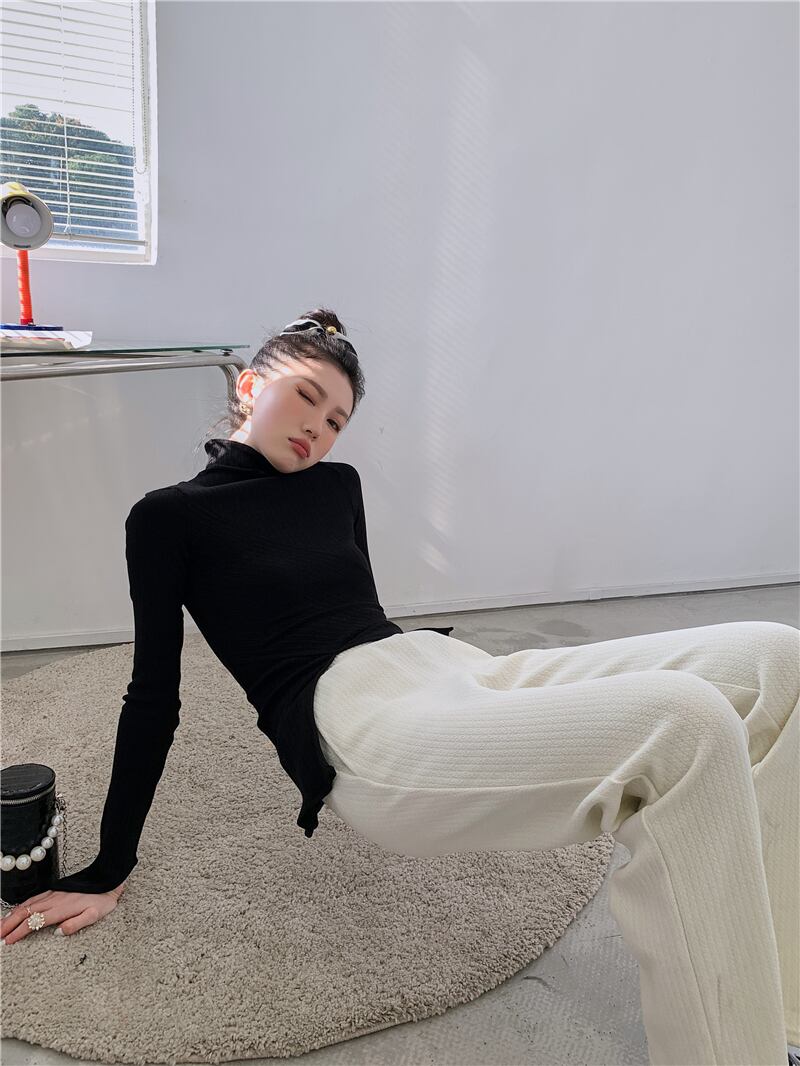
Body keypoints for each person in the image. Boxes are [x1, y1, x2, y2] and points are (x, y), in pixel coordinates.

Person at [1, 308, 797, 1066]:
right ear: (249, 386)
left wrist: (458, 684)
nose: (318, 427)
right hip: (357, 720)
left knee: (777, 657)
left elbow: (359, 611)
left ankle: (784, 1008)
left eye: (336, 419)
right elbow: (153, 696)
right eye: (305, 396)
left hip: (437, 668)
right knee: (687, 724)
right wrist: (111, 865)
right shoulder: (169, 517)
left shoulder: (336, 486)